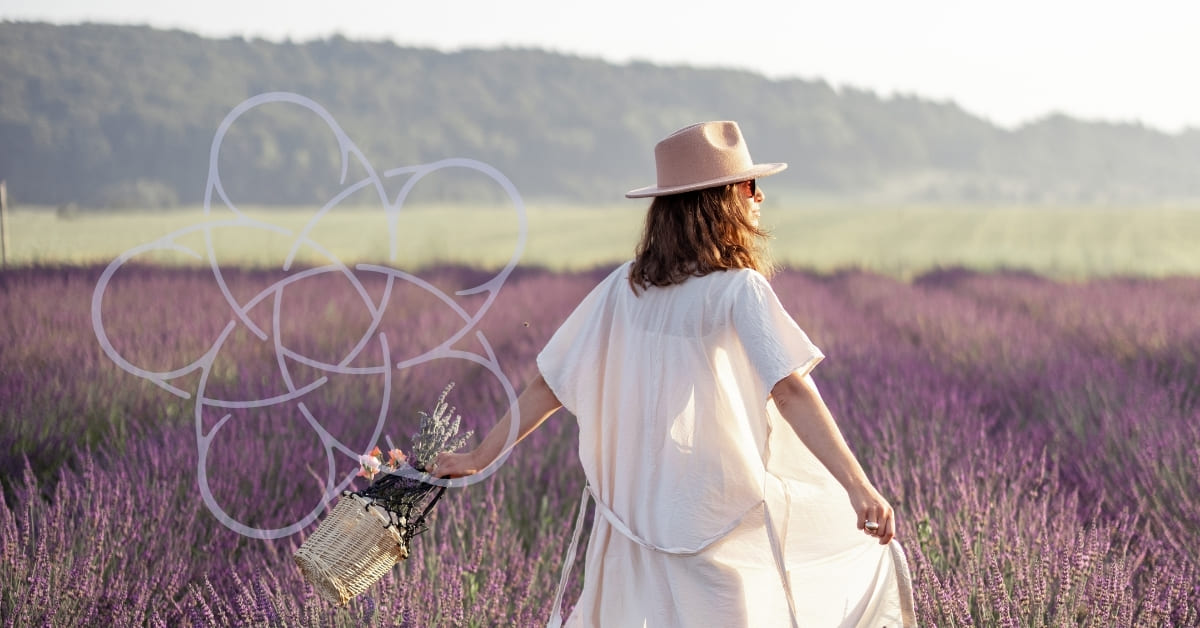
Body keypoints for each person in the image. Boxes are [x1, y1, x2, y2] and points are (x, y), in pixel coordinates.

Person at [433, 121, 916, 627]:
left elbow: (551, 383)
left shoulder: (626, 287)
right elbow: (790, 390)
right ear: (724, 198)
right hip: (708, 517)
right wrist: (859, 487)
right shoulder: (737, 290)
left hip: (635, 517)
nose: (761, 197)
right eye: (751, 186)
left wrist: (478, 455)